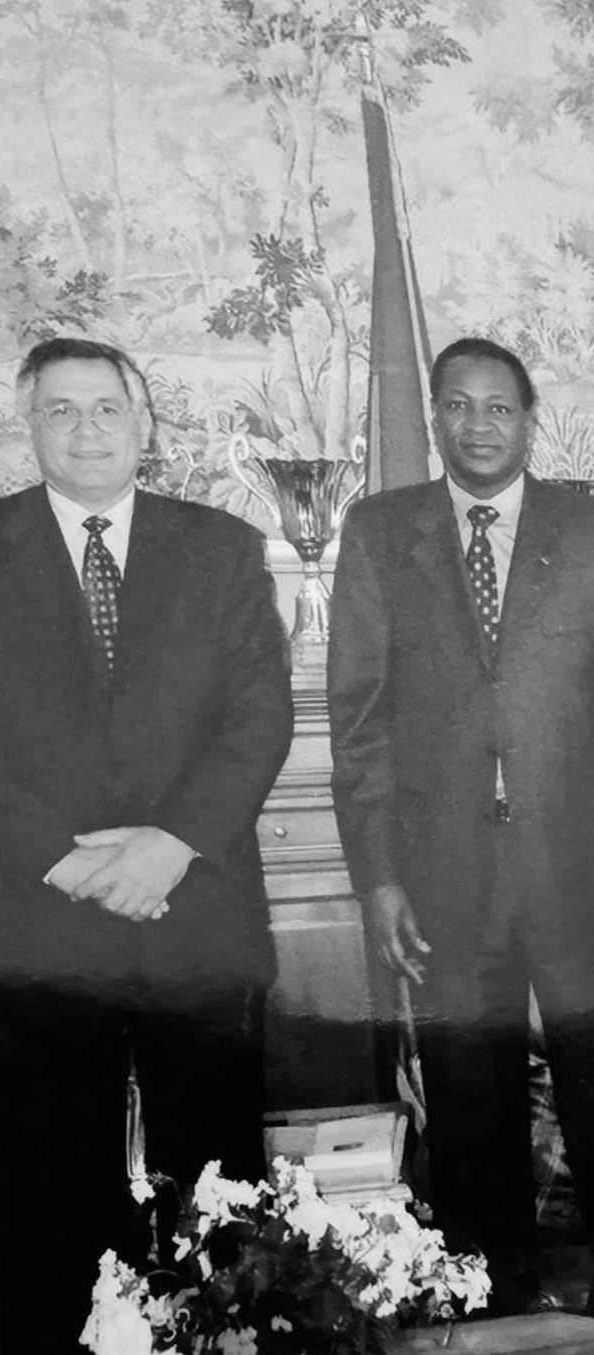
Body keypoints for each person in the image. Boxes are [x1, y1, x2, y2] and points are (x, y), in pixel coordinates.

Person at [0, 336, 293, 1354]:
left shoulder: (221, 544)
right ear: (28, 425)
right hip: (40, 923)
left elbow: (258, 717)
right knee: (47, 1194)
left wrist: (174, 844)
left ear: (144, 423)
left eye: (105, 409)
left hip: (196, 914)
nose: (86, 430)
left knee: (220, 1195)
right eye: (61, 410)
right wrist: (65, 860)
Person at [328, 336, 594, 1314]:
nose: (479, 424)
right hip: (443, 879)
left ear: (531, 418)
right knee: (473, 1126)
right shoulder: (379, 530)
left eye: (500, 407)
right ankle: (500, 1310)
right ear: (434, 415)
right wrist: (381, 878)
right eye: (459, 405)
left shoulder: (588, 520)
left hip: (581, 874)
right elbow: (357, 723)